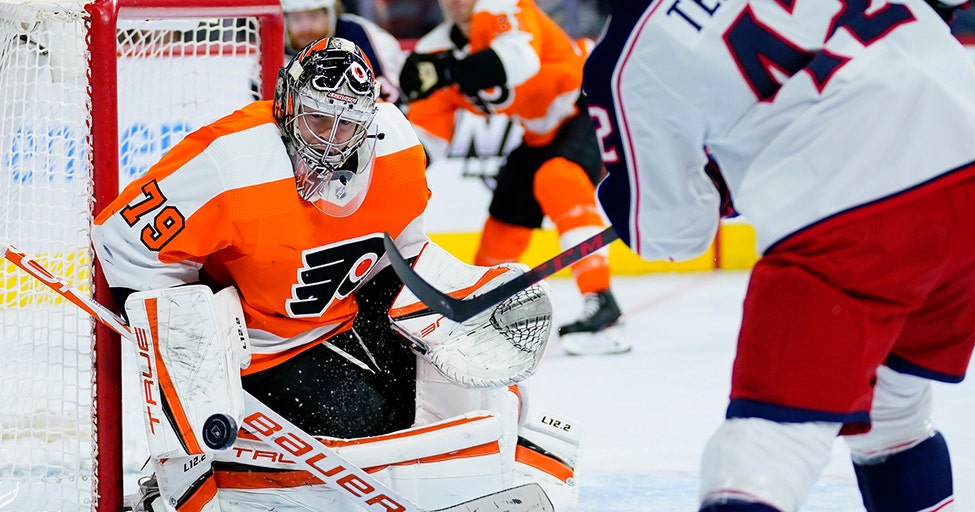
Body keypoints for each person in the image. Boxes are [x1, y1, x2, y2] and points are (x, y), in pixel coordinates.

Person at [95, 37, 579, 512]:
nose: (330, 137)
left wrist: (458, 302)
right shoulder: (230, 160)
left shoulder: (396, 149)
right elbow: (122, 241)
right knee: (366, 424)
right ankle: (186, 483)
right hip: (261, 350)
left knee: (476, 395)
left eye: (346, 125)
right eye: (319, 116)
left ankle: (491, 460)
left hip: (344, 318)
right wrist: (193, 344)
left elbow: (404, 254)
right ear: (287, 101)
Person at [582, 1, 975, 511]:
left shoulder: (626, 58)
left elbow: (671, 232)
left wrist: (682, 189)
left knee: (760, 456)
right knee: (891, 414)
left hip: (859, 221)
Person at [398, 0, 630, 356]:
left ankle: (602, 303)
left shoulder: (502, 6)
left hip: (591, 100)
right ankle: (482, 309)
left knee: (558, 178)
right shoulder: (435, 50)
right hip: (540, 133)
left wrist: (448, 71)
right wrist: (398, 174)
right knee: (505, 218)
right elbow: (429, 135)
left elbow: (519, 60)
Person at [283, 0, 404, 104]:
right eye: (296, 19)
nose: (306, 27)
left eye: (313, 16)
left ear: (330, 15)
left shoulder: (359, 35)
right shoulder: (269, 45)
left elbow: (390, 100)